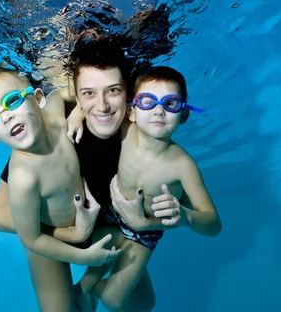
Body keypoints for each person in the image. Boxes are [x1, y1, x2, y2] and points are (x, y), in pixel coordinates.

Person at [0, 34, 163, 311]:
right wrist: (70, 234)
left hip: (103, 229)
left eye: (114, 91)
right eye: (88, 94)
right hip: (51, 233)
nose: (102, 106)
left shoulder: (142, 129)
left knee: (143, 302)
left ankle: (87, 291)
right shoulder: (50, 135)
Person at [0, 65, 124, 310]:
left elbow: (60, 94)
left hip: (90, 226)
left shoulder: (54, 116)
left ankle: (85, 289)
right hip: (47, 241)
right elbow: (32, 238)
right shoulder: (23, 178)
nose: (5, 116)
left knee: (129, 238)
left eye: (11, 101)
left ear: (37, 99)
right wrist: (82, 253)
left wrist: (79, 112)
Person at [73, 66, 222, 311]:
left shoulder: (183, 165)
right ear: (131, 111)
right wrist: (75, 115)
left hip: (143, 234)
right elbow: (96, 106)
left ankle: (88, 290)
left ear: (183, 114)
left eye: (171, 103)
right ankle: (83, 290)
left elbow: (214, 225)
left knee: (127, 302)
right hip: (109, 216)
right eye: (147, 101)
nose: (159, 110)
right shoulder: (126, 130)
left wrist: (184, 216)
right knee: (120, 292)